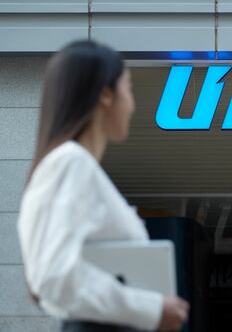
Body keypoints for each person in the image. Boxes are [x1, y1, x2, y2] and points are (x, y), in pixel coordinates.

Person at [16, 40, 189, 331]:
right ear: (106, 95)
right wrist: (151, 308)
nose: (132, 105)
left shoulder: (70, 164)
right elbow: (54, 276)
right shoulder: (71, 162)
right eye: (129, 88)